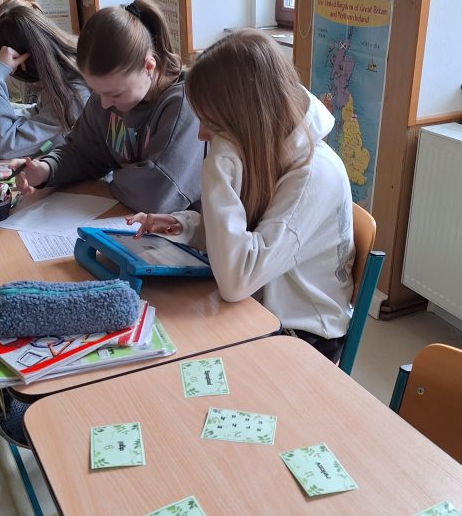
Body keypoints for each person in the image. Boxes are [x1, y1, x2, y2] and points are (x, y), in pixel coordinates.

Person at [126, 29, 355, 362]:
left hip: (304, 338)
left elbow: (236, 281)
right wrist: (188, 227)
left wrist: (217, 168)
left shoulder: (313, 175)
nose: (202, 134)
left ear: (244, 119)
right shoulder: (269, 152)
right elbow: (251, 236)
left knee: (174, 354)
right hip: (260, 309)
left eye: (210, 122)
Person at [13, 0, 203, 213]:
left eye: (114, 93)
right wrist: (47, 169)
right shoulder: (106, 97)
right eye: (97, 91)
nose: (103, 103)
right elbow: (82, 152)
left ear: (148, 67)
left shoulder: (186, 104)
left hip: (187, 228)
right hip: (126, 215)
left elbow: (157, 195)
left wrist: (113, 173)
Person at [0, 0, 89, 158]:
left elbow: (5, 147)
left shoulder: (73, 89)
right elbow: (38, 113)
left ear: (22, 60)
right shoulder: (60, 76)